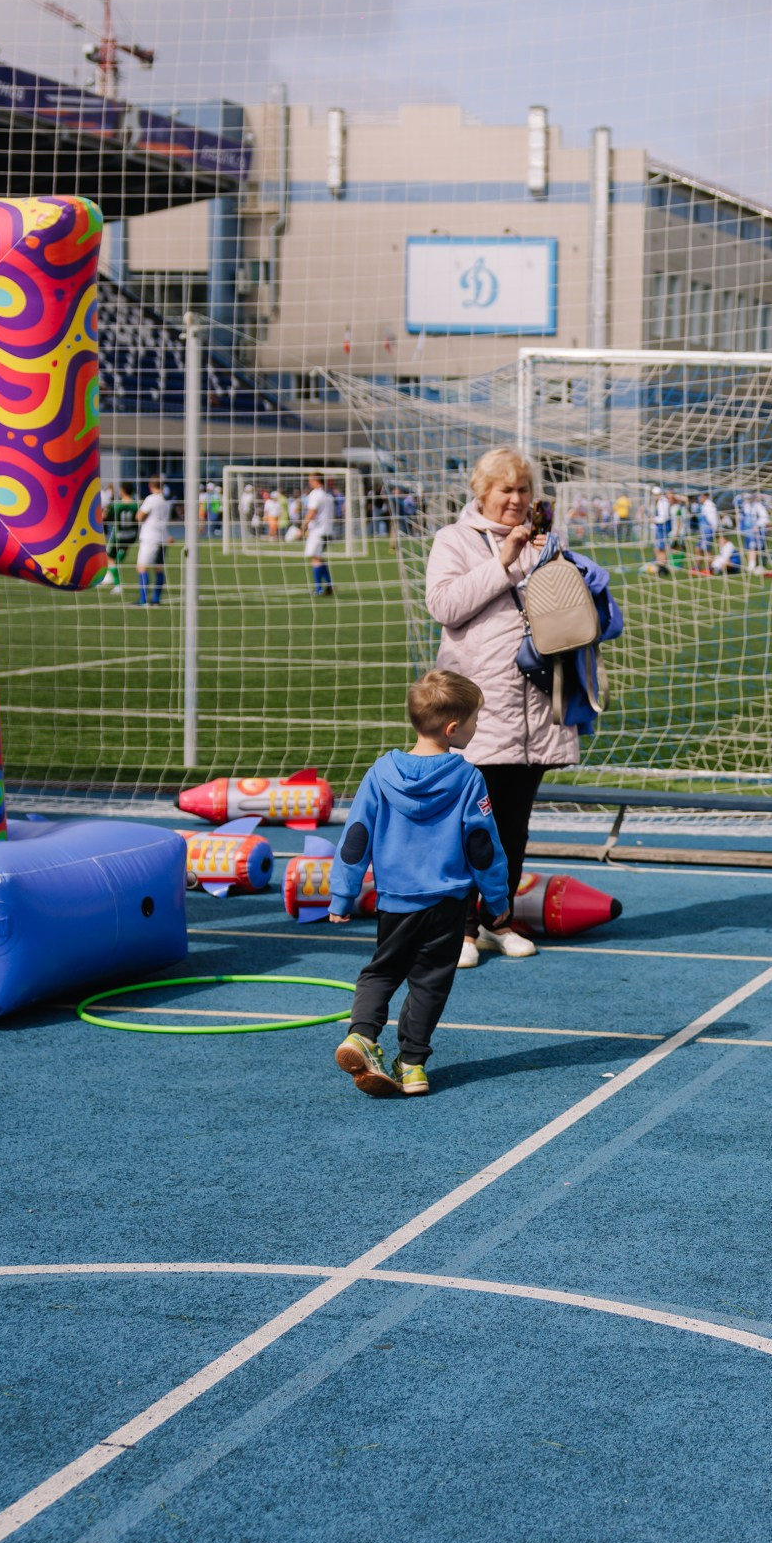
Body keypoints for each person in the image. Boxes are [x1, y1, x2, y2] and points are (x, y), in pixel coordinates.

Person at [424, 447, 582, 969]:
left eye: (523, 489)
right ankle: (461, 930)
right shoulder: (454, 539)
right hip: (479, 711)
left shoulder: (547, 542)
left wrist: (572, 575)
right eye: (505, 490)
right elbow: (445, 606)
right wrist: (503, 561)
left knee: (513, 827)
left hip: (535, 709)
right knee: (471, 827)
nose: (516, 499)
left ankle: (498, 920)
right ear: (482, 492)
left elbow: (564, 611)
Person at [326, 670, 511, 1098]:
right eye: (475, 720)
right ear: (452, 729)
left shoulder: (380, 773)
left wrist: (342, 893)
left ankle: (361, 1035)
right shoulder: (468, 778)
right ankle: (412, 1066)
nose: (477, 726)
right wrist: (497, 897)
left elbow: (355, 838)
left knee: (382, 971)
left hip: (396, 902)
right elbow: (482, 844)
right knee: (430, 982)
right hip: (447, 904)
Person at [134, 479, 171, 606]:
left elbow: (139, 516)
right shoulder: (166, 500)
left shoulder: (151, 499)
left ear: (150, 485)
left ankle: (143, 599)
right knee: (158, 568)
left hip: (150, 537)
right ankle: (156, 599)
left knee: (142, 567)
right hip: (162, 537)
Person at [301, 472, 337, 599]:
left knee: (315, 558)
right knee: (318, 557)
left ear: (316, 480)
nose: (309, 481)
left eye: (311, 479)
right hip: (327, 531)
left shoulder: (315, 494)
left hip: (317, 531)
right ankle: (330, 585)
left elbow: (312, 512)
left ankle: (319, 589)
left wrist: (303, 525)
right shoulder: (328, 496)